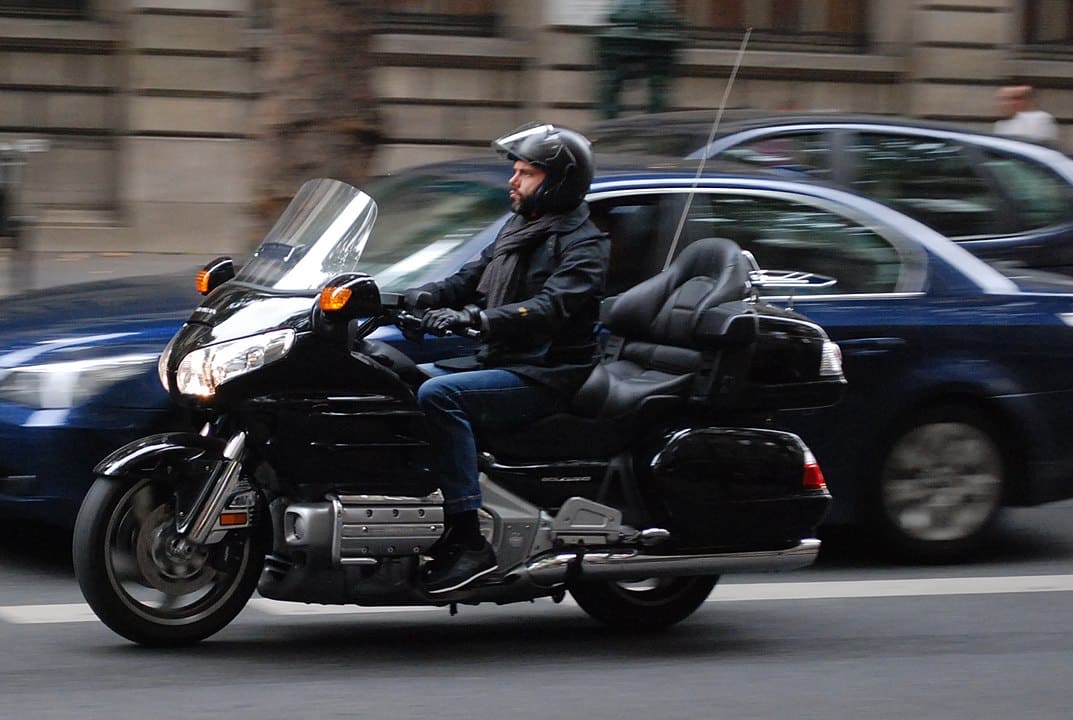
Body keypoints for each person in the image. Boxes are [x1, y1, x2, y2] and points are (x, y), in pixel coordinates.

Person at [403, 123, 610, 594]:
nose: (513, 182)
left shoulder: (585, 244)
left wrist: (474, 318)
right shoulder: (523, 227)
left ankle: (469, 540)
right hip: (505, 359)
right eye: (515, 171)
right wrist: (421, 294)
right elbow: (472, 272)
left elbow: (549, 307)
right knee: (397, 381)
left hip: (546, 372)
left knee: (440, 396)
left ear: (558, 181)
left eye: (526, 173)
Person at [994, 85, 1059, 145]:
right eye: (1004, 99)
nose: (1007, 103)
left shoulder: (1041, 120)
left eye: (1016, 98)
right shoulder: (1000, 125)